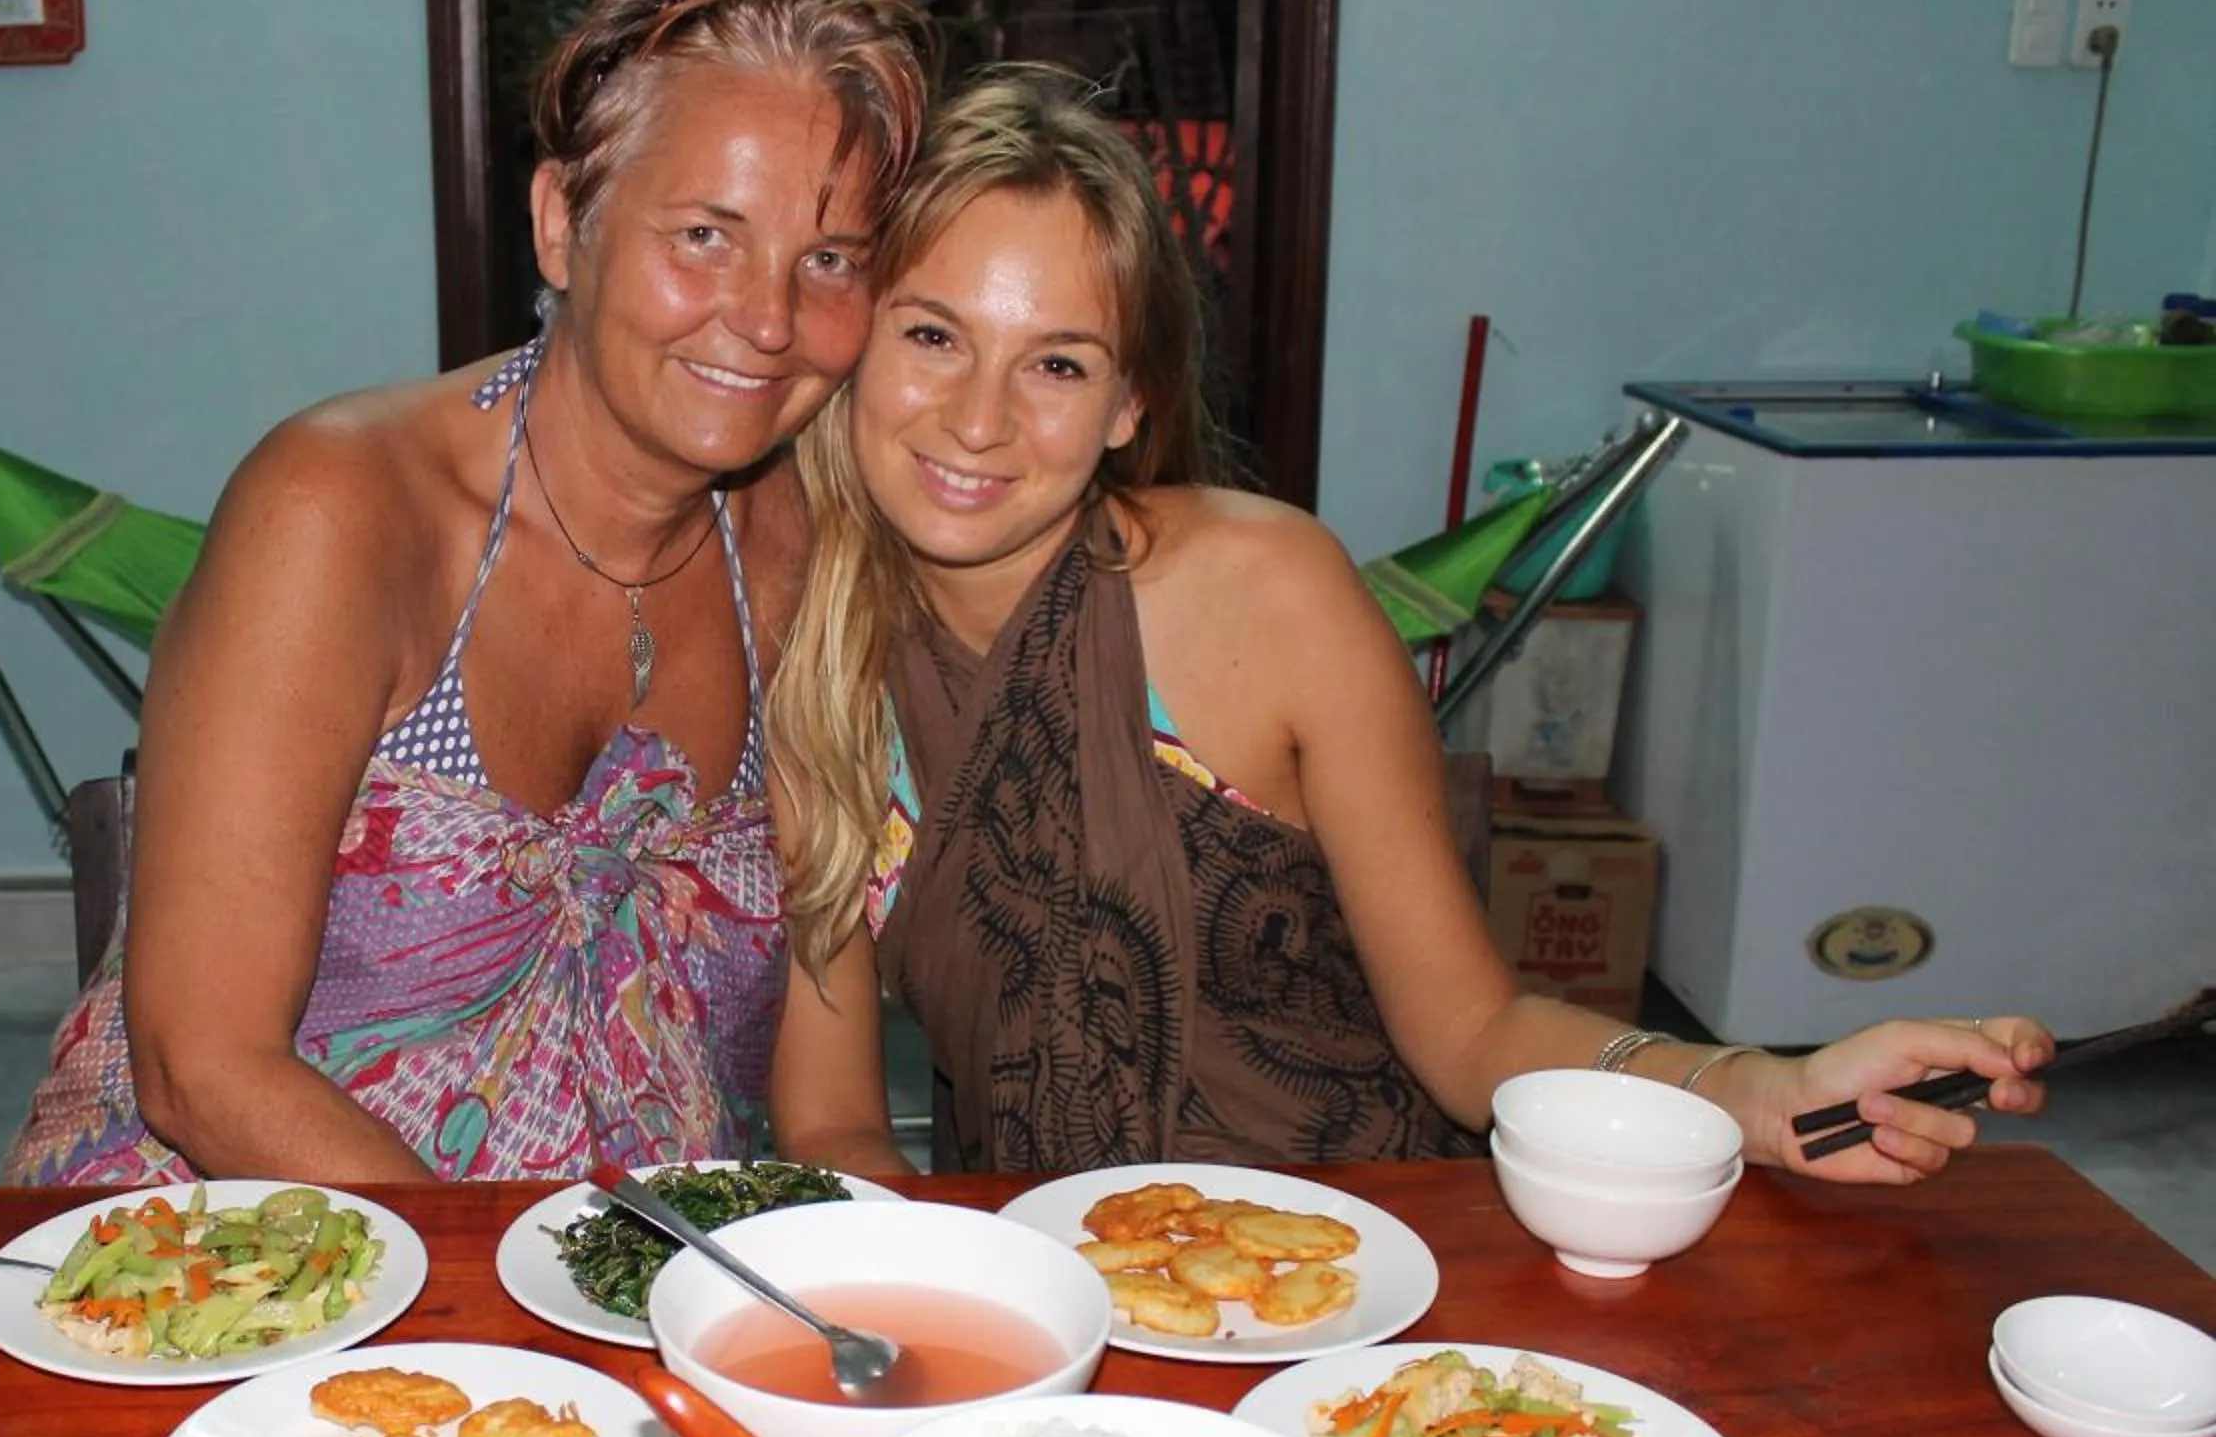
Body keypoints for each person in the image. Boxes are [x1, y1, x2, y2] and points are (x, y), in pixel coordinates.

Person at [765, 66, 2051, 1183]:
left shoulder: (1270, 594)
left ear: (1126, 403)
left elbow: (1474, 1031)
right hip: (1050, 1305)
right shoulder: (815, 657)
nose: (979, 419)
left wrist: (1758, 1092)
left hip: (1357, 1263)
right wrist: (947, 1307)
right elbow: (831, 1122)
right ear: (852, 344)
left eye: (1056, 362)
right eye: (932, 334)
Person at [5, 0, 933, 1186]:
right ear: (564, 222)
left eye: (828, 260)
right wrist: (515, 1308)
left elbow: (831, 1123)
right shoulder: (343, 512)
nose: (768, 319)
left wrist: (894, 1293)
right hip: (225, 1277)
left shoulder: (804, 565)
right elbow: (205, 1066)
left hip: (635, 1289)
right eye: (706, 234)